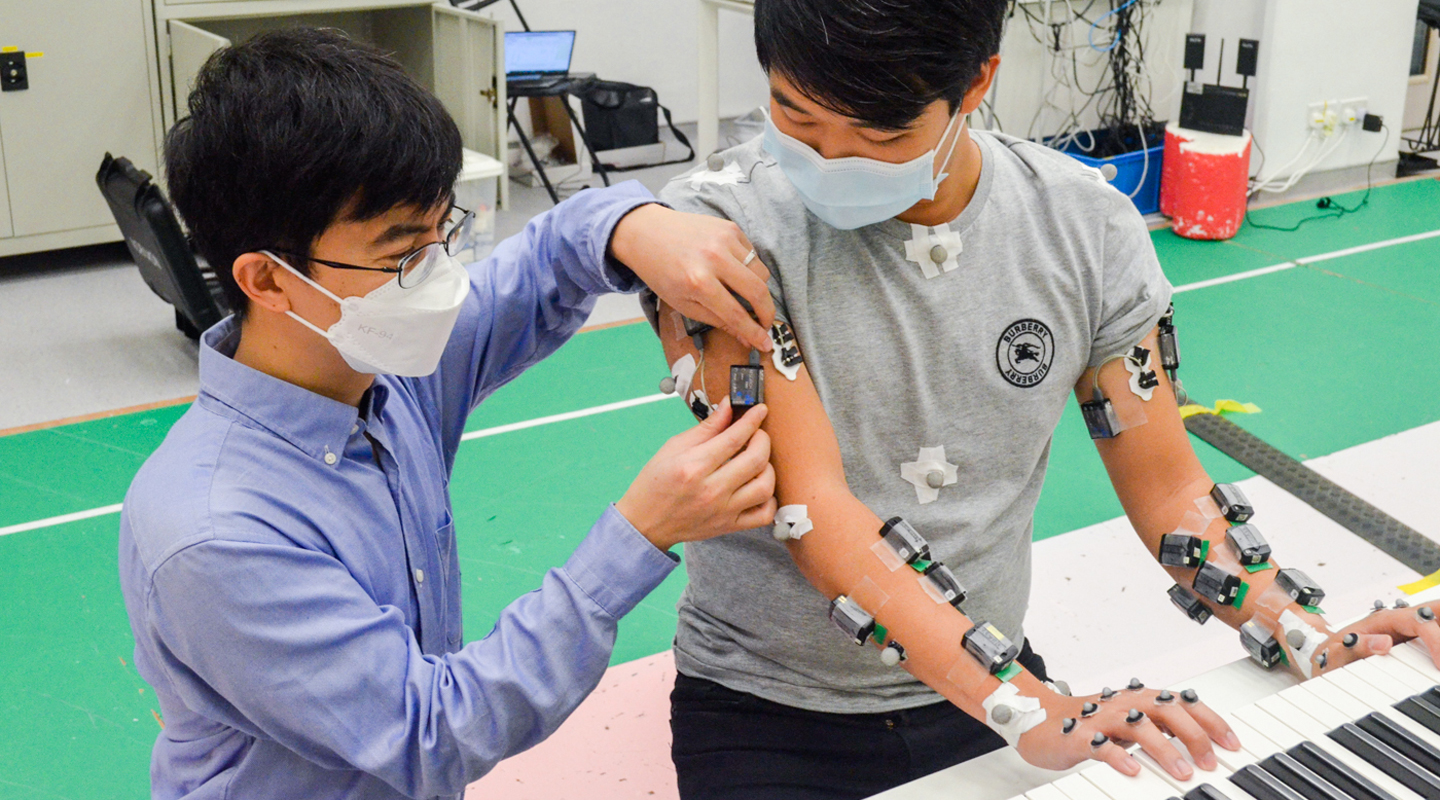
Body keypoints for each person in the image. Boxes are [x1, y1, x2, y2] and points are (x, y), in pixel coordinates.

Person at [647, 2, 1440, 798]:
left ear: (976, 82)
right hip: (769, 712)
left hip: (989, 680)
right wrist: (1035, 712)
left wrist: (1302, 632)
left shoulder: (1084, 226)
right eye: (796, 115)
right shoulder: (712, 239)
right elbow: (814, 509)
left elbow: (1168, 489)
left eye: (882, 138)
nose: (830, 156)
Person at [117, 27, 779, 799]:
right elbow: (429, 731)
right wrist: (640, 534)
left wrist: (635, 227)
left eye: (443, 232)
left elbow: (542, 267)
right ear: (266, 278)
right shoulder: (216, 533)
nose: (436, 274)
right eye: (403, 252)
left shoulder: (375, 372)